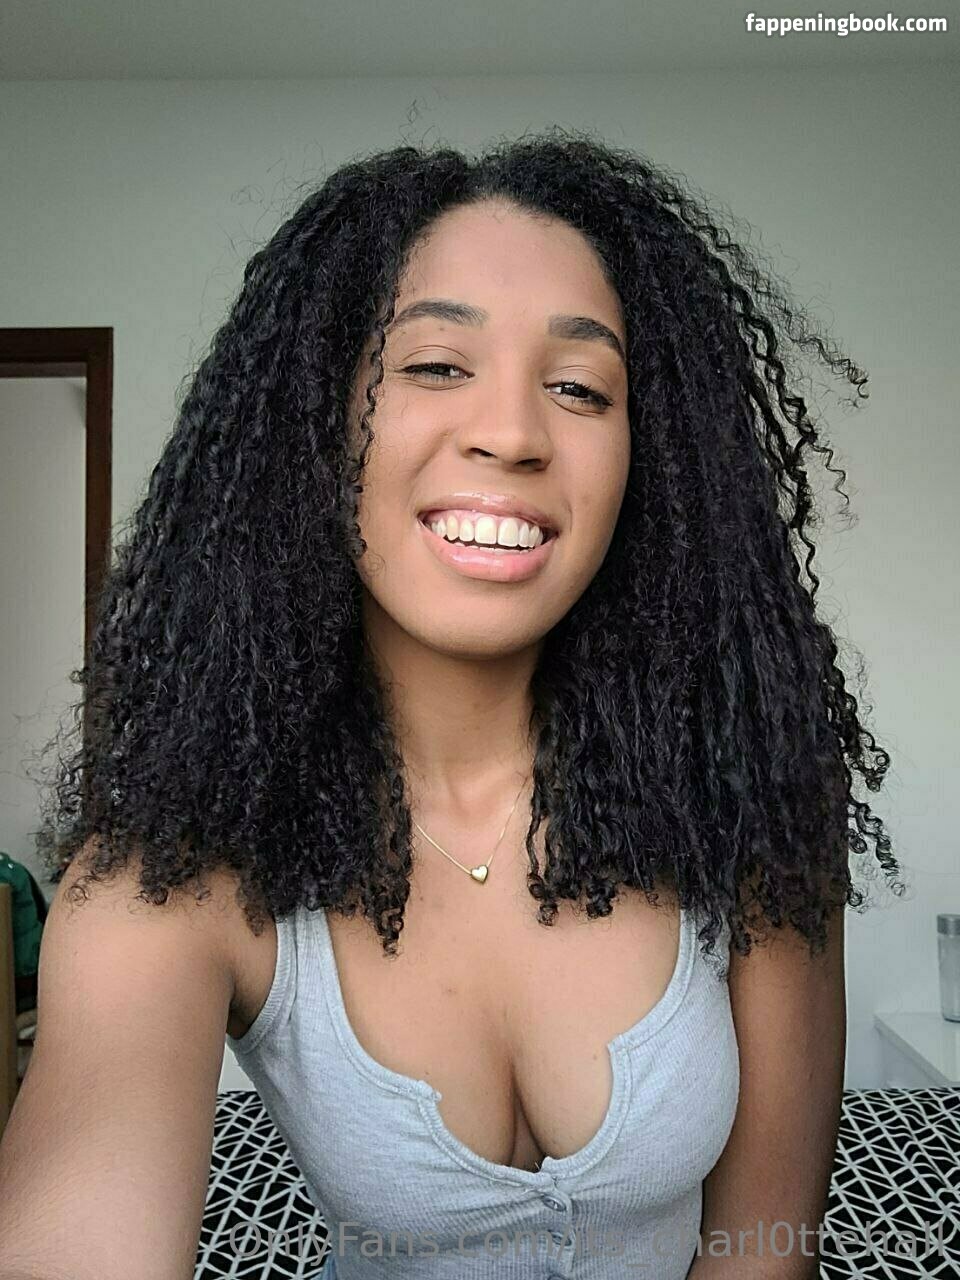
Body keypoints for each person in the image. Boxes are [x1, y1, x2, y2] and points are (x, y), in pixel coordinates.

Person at [0, 128, 899, 1280]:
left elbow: (764, 1250)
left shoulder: (750, 795)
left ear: (652, 460)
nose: (513, 433)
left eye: (579, 387)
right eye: (434, 365)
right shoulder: (170, 872)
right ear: (316, 422)